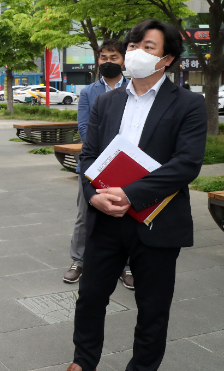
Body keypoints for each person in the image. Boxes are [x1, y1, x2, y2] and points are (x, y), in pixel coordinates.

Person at [66, 19, 207, 371]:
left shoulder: (188, 104)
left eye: (148, 47)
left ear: (168, 59)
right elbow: (88, 157)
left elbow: (186, 164)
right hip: (106, 220)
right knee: (90, 300)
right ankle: (82, 363)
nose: (135, 53)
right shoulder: (106, 103)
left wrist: (129, 193)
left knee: (153, 309)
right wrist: (93, 194)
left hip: (156, 223)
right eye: (133, 46)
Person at [64, 39, 135, 289]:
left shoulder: (135, 89)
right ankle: (78, 261)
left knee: (127, 216)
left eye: (113, 57)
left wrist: (121, 158)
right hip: (94, 165)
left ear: (123, 60)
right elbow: (85, 130)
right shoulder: (88, 93)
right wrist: (108, 158)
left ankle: (126, 266)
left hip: (127, 166)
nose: (108, 62)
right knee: (85, 215)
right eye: (103, 58)